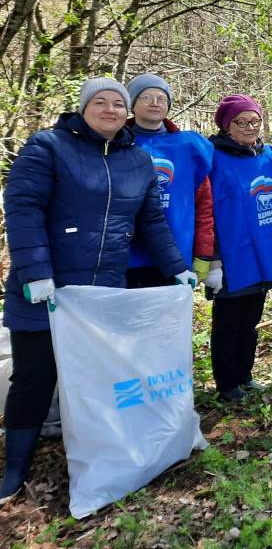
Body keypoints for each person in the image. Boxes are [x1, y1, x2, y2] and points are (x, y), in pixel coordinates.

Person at [1, 78, 192, 501]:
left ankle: (103, 453)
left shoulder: (136, 160)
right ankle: (16, 465)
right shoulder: (48, 147)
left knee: (98, 376)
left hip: (102, 294)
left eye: (117, 103)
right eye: (100, 102)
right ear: (84, 107)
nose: (109, 109)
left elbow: (152, 222)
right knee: (35, 376)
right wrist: (35, 272)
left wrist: (177, 268)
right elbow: (23, 208)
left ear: (127, 112)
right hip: (48, 289)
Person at [206, 94, 272, 402]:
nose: (251, 127)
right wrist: (211, 258)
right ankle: (227, 383)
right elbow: (205, 210)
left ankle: (245, 374)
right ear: (227, 126)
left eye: (255, 121)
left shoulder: (268, 156)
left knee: (251, 319)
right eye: (242, 122)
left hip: (263, 253)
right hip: (230, 255)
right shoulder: (213, 158)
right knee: (228, 321)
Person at [125, 73, 215, 288]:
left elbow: (204, 205)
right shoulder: (114, 143)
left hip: (177, 257)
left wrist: (204, 253)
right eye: (146, 97)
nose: (155, 103)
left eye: (161, 98)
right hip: (126, 256)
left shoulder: (188, 146)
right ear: (132, 104)